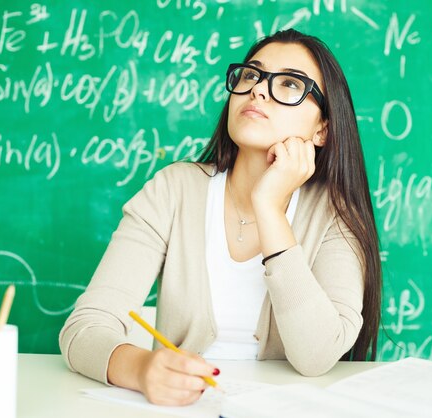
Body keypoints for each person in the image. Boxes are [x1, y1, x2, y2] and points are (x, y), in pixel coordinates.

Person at [59, 28, 381, 406]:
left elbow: (317, 356)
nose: (258, 90)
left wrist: (269, 208)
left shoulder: (335, 216)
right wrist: (143, 370)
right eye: (251, 75)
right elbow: (83, 330)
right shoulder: (174, 189)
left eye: (291, 84)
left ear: (322, 129)